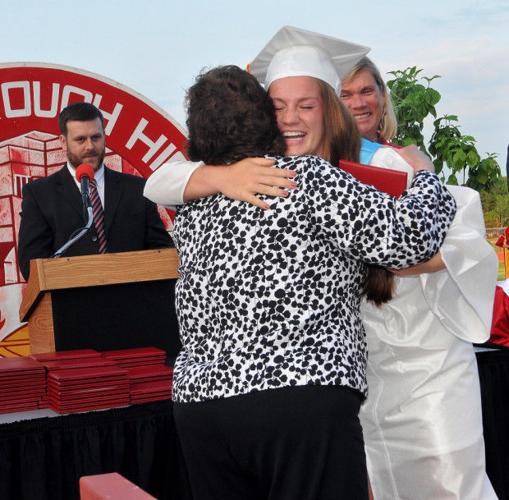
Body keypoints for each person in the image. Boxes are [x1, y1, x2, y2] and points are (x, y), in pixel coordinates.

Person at [159, 37, 456, 500]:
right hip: (297, 400)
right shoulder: (308, 179)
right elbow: (412, 238)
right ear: (263, 117)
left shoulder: (193, 204)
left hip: (200, 409)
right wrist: (425, 177)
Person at [339, 57, 498, 500]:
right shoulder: (320, 174)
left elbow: (466, 240)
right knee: (385, 482)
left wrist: (403, 259)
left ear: (383, 97)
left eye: (366, 90)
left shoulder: (405, 162)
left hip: (431, 357)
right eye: (344, 94)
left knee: (452, 480)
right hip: (368, 360)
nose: (358, 103)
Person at [18, 102, 172, 280]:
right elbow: (31, 266)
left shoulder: (137, 189)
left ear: (104, 137)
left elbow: (162, 252)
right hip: (71, 304)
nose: (90, 146)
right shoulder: (39, 195)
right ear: (63, 142)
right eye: (80, 139)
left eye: (96, 137)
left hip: (132, 301)